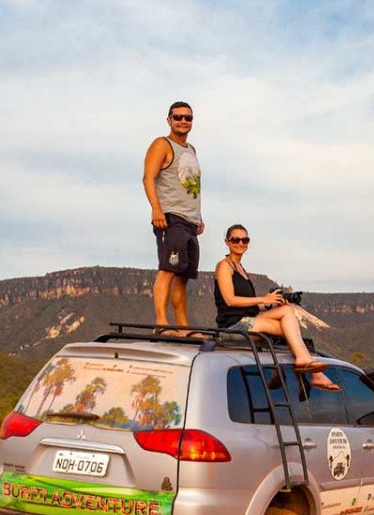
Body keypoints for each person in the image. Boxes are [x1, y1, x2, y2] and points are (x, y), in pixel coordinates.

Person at [215, 224, 340, 391]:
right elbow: (230, 301)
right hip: (233, 324)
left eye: (245, 240)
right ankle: (305, 370)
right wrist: (263, 298)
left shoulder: (241, 269)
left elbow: (251, 305)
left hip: (248, 319)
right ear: (227, 242)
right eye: (235, 239)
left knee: (288, 312)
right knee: (289, 329)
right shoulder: (224, 266)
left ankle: (301, 367)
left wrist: (270, 303)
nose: (240, 243)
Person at [143, 101, 206, 335]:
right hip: (170, 217)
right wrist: (157, 210)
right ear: (169, 120)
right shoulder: (162, 144)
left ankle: (182, 327)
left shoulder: (191, 150)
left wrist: (199, 215)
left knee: (183, 275)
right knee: (167, 270)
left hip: (190, 219)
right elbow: (148, 178)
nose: (183, 121)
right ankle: (161, 323)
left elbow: (192, 185)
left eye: (187, 118)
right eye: (177, 117)